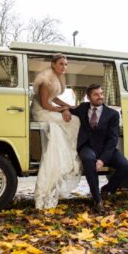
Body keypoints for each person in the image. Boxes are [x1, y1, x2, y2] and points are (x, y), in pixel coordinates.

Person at [62, 83, 128, 213]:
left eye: (101, 93)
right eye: (96, 94)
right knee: (89, 160)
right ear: (89, 97)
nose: (100, 97)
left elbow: (113, 139)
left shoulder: (113, 114)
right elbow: (69, 108)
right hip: (87, 146)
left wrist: (103, 159)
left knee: (126, 166)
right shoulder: (82, 107)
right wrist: (65, 110)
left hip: (106, 148)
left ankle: (108, 189)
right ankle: (97, 199)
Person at [31, 53, 82, 209]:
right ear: (53, 64)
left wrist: (68, 106)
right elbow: (45, 104)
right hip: (40, 111)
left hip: (48, 107)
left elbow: (54, 98)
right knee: (74, 121)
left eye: (66, 64)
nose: (64, 67)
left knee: (73, 117)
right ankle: (71, 151)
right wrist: (63, 110)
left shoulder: (58, 77)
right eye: (61, 64)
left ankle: (70, 149)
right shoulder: (46, 79)